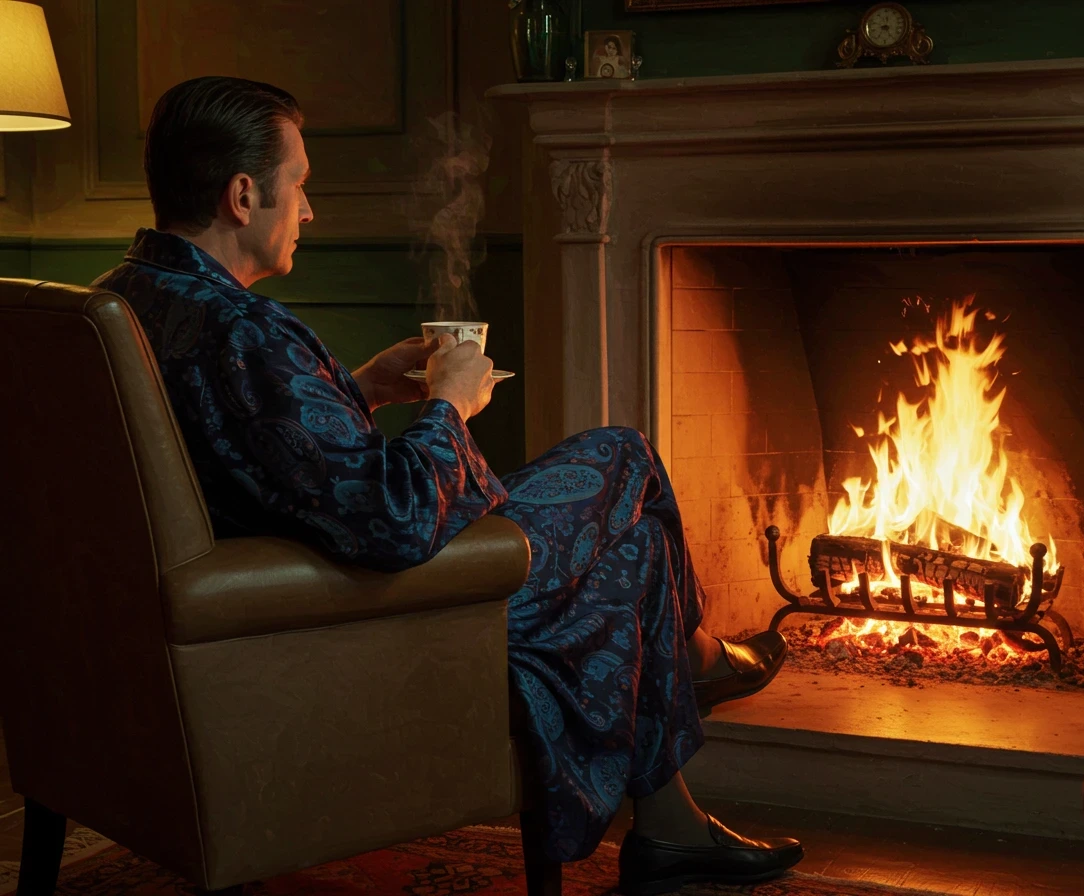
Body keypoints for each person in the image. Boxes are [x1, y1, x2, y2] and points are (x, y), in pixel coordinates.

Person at [94, 76, 802, 894]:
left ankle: (672, 827)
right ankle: (697, 656)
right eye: (303, 185)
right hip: (364, 608)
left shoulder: (131, 295)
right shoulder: (245, 331)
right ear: (244, 194)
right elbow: (393, 522)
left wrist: (356, 389)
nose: (311, 210)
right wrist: (450, 403)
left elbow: (233, 446)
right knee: (625, 460)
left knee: (631, 545)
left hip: (276, 589)